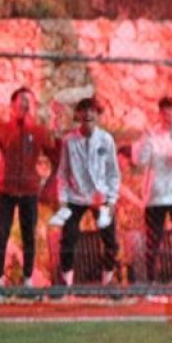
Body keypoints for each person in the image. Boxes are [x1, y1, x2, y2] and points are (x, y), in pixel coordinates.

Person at [0, 87, 58, 287]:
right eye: (21, 102)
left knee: (29, 235)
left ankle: (28, 279)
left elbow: (55, 155)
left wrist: (49, 181)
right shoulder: (3, 129)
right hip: (6, 190)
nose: (25, 106)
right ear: (12, 106)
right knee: (1, 234)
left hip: (29, 190)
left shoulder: (38, 131)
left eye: (28, 102)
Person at [50, 97, 122, 286]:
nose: (88, 114)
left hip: (101, 195)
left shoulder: (106, 140)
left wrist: (112, 199)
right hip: (76, 197)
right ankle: (66, 283)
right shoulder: (69, 141)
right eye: (84, 110)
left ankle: (108, 280)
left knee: (111, 241)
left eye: (93, 111)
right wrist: (63, 200)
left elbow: (113, 172)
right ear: (78, 115)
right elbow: (63, 173)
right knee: (68, 239)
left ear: (97, 115)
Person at [133, 96, 172, 282]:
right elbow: (140, 160)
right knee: (153, 243)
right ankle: (151, 285)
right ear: (159, 113)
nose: (168, 114)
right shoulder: (152, 135)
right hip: (156, 196)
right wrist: (146, 139)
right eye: (164, 111)